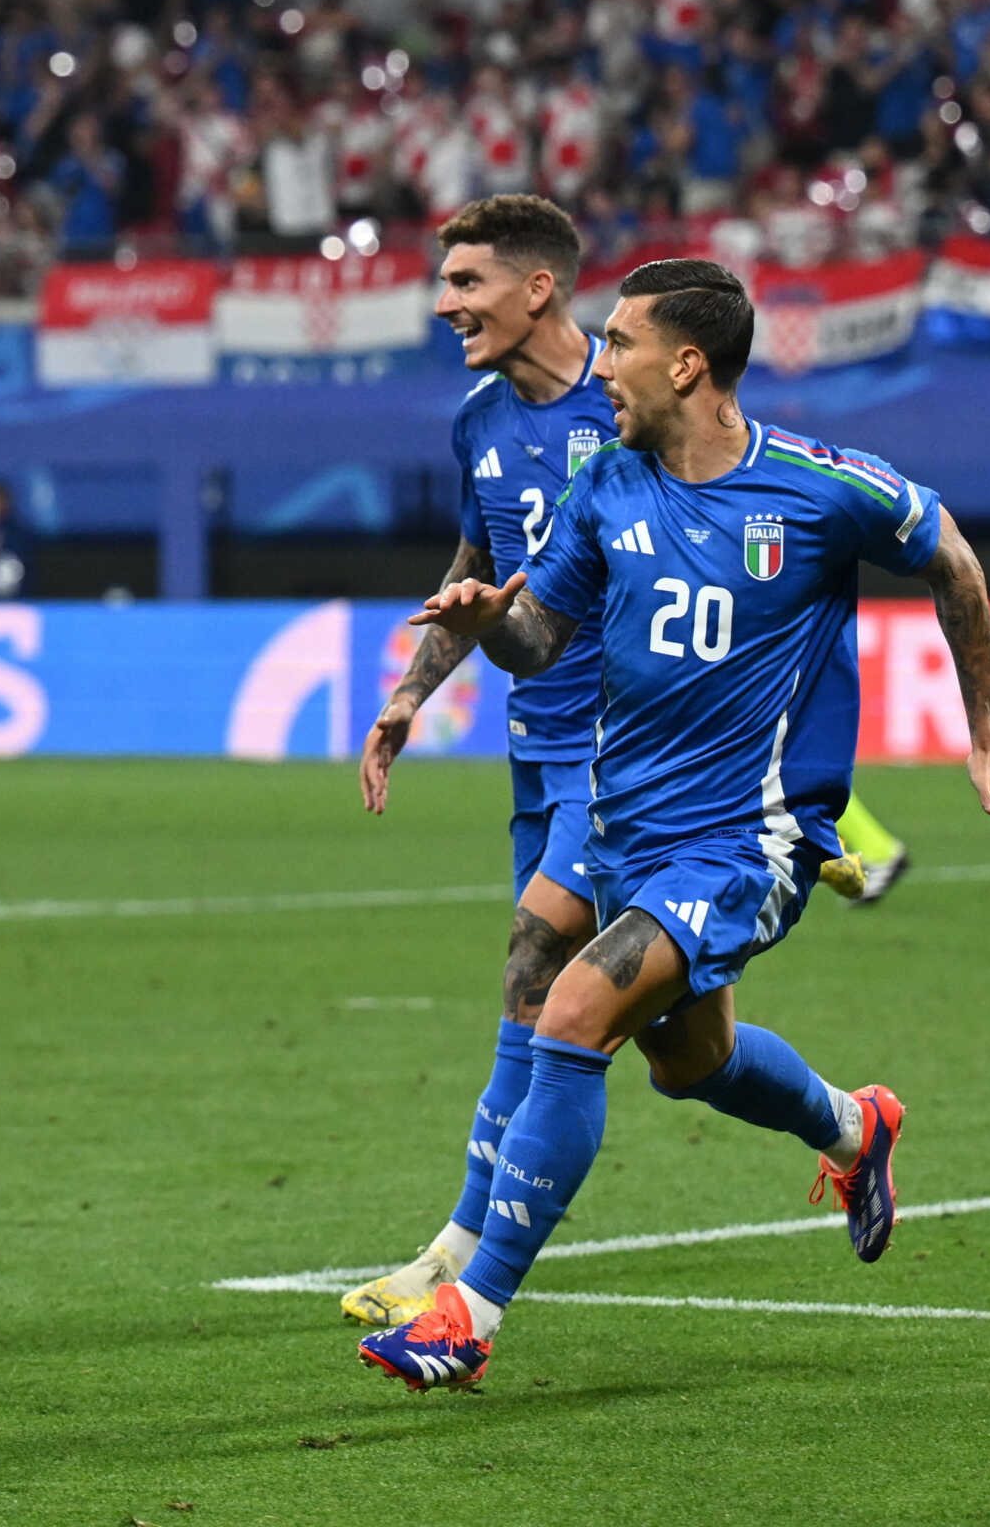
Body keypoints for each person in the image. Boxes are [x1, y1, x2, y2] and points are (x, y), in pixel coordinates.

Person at [357, 259, 990, 1392]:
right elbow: (542, 639)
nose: (600, 362)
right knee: (692, 1060)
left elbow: (954, 560)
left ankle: (466, 1313)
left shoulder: (818, 487)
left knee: (572, 1005)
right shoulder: (608, 484)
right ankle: (855, 1126)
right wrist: (487, 621)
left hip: (746, 842)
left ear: (687, 363)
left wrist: (987, 734)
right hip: (629, 832)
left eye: (618, 344)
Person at [340, 195, 614, 1330]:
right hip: (535, 746)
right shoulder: (478, 421)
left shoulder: (641, 394)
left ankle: (462, 1259)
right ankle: (848, 1124)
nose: (442, 303)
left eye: (464, 283)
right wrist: (410, 692)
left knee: (534, 963)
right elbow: (475, 564)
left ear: (535, 287)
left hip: (632, 751)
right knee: (695, 1054)